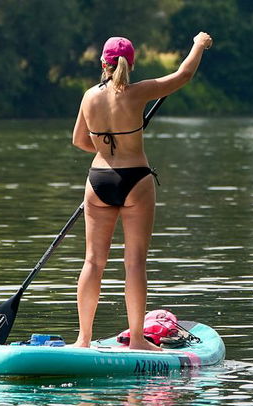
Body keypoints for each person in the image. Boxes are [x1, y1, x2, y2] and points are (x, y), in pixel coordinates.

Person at [71, 32, 212, 349]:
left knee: (93, 262)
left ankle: (82, 339)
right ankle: (137, 339)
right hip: (135, 178)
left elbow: (79, 141)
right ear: (130, 64)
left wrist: (106, 148)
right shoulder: (139, 93)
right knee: (134, 263)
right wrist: (198, 45)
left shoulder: (88, 97)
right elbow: (183, 75)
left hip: (98, 179)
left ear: (102, 62)